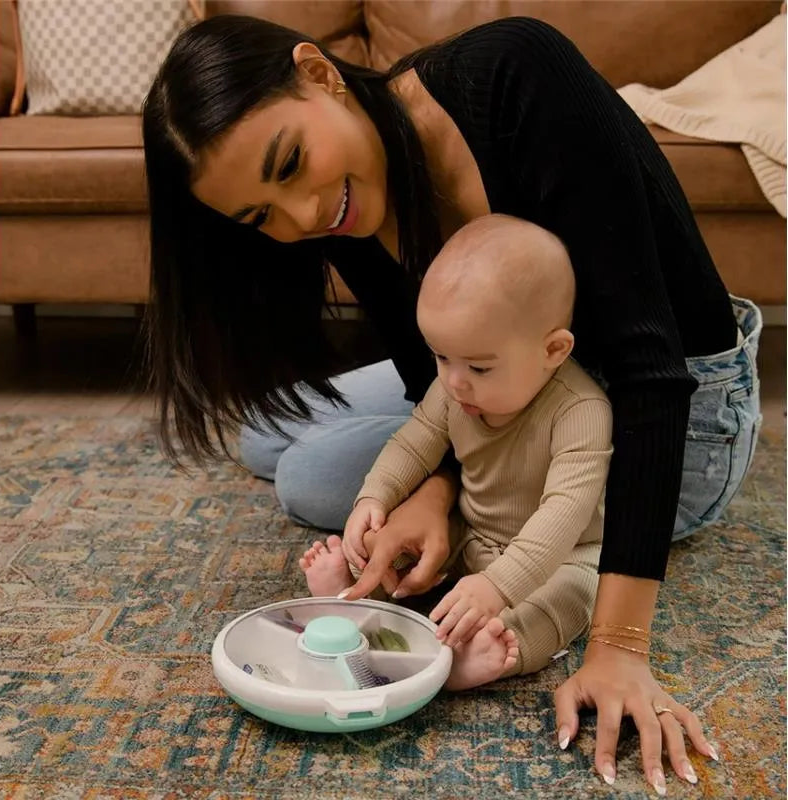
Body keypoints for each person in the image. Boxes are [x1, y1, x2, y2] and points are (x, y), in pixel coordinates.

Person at [142, 14, 762, 793]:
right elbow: (428, 385)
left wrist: (619, 647)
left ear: (320, 74)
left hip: (664, 410)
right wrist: (432, 497)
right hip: (492, 389)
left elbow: (651, 372)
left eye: (291, 164)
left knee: (307, 477)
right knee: (262, 437)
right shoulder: (345, 194)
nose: (303, 217)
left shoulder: (516, 78)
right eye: (262, 216)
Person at [299, 214, 614, 694]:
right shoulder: (454, 387)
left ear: (553, 350)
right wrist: (374, 498)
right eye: (441, 357)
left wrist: (499, 586)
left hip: (563, 555)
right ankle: (356, 589)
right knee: (394, 544)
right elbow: (413, 442)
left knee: (572, 595)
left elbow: (563, 516)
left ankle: (490, 653)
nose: (454, 381)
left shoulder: (582, 411)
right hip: (470, 531)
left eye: (480, 367)